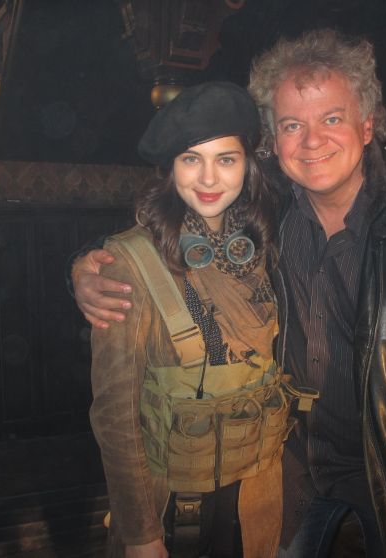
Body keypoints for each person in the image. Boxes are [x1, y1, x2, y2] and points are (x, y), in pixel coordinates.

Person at [73, 29, 386, 557]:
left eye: (331, 118)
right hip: (290, 466)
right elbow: (171, 228)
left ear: (367, 125)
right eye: (291, 125)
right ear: (273, 141)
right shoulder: (269, 210)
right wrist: (89, 263)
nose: (311, 141)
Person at [89, 81, 290, 558]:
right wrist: (140, 533)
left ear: (247, 165)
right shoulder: (131, 262)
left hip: (257, 496)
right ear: (170, 168)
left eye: (226, 159)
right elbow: (115, 414)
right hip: (175, 507)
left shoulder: (265, 247)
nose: (209, 178)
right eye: (190, 158)